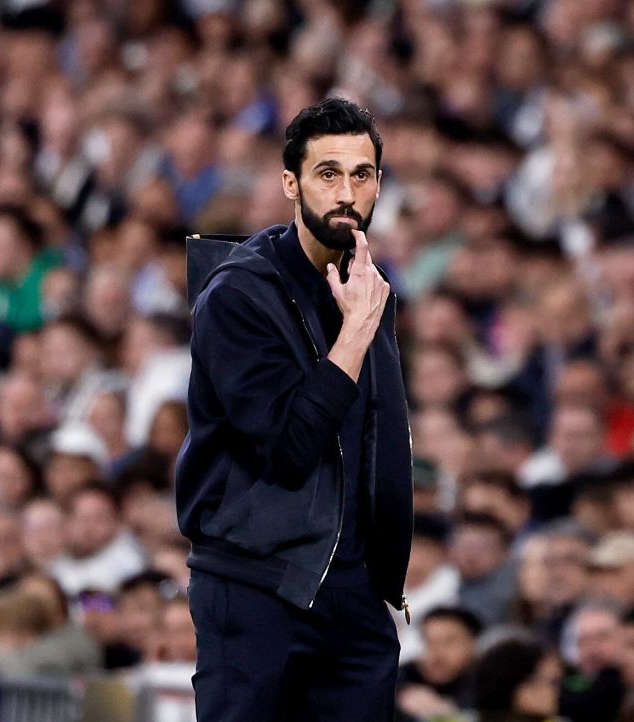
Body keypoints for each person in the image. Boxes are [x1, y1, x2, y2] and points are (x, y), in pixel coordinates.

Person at [176, 97, 412, 721]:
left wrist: (382, 579)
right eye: (327, 173)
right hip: (258, 582)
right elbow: (286, 448)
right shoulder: (237, 295)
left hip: (353, 591)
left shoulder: (369, 289)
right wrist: (355, 335)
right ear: (291, 183)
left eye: (361, 175)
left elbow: (377, 443)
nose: (346, 191)